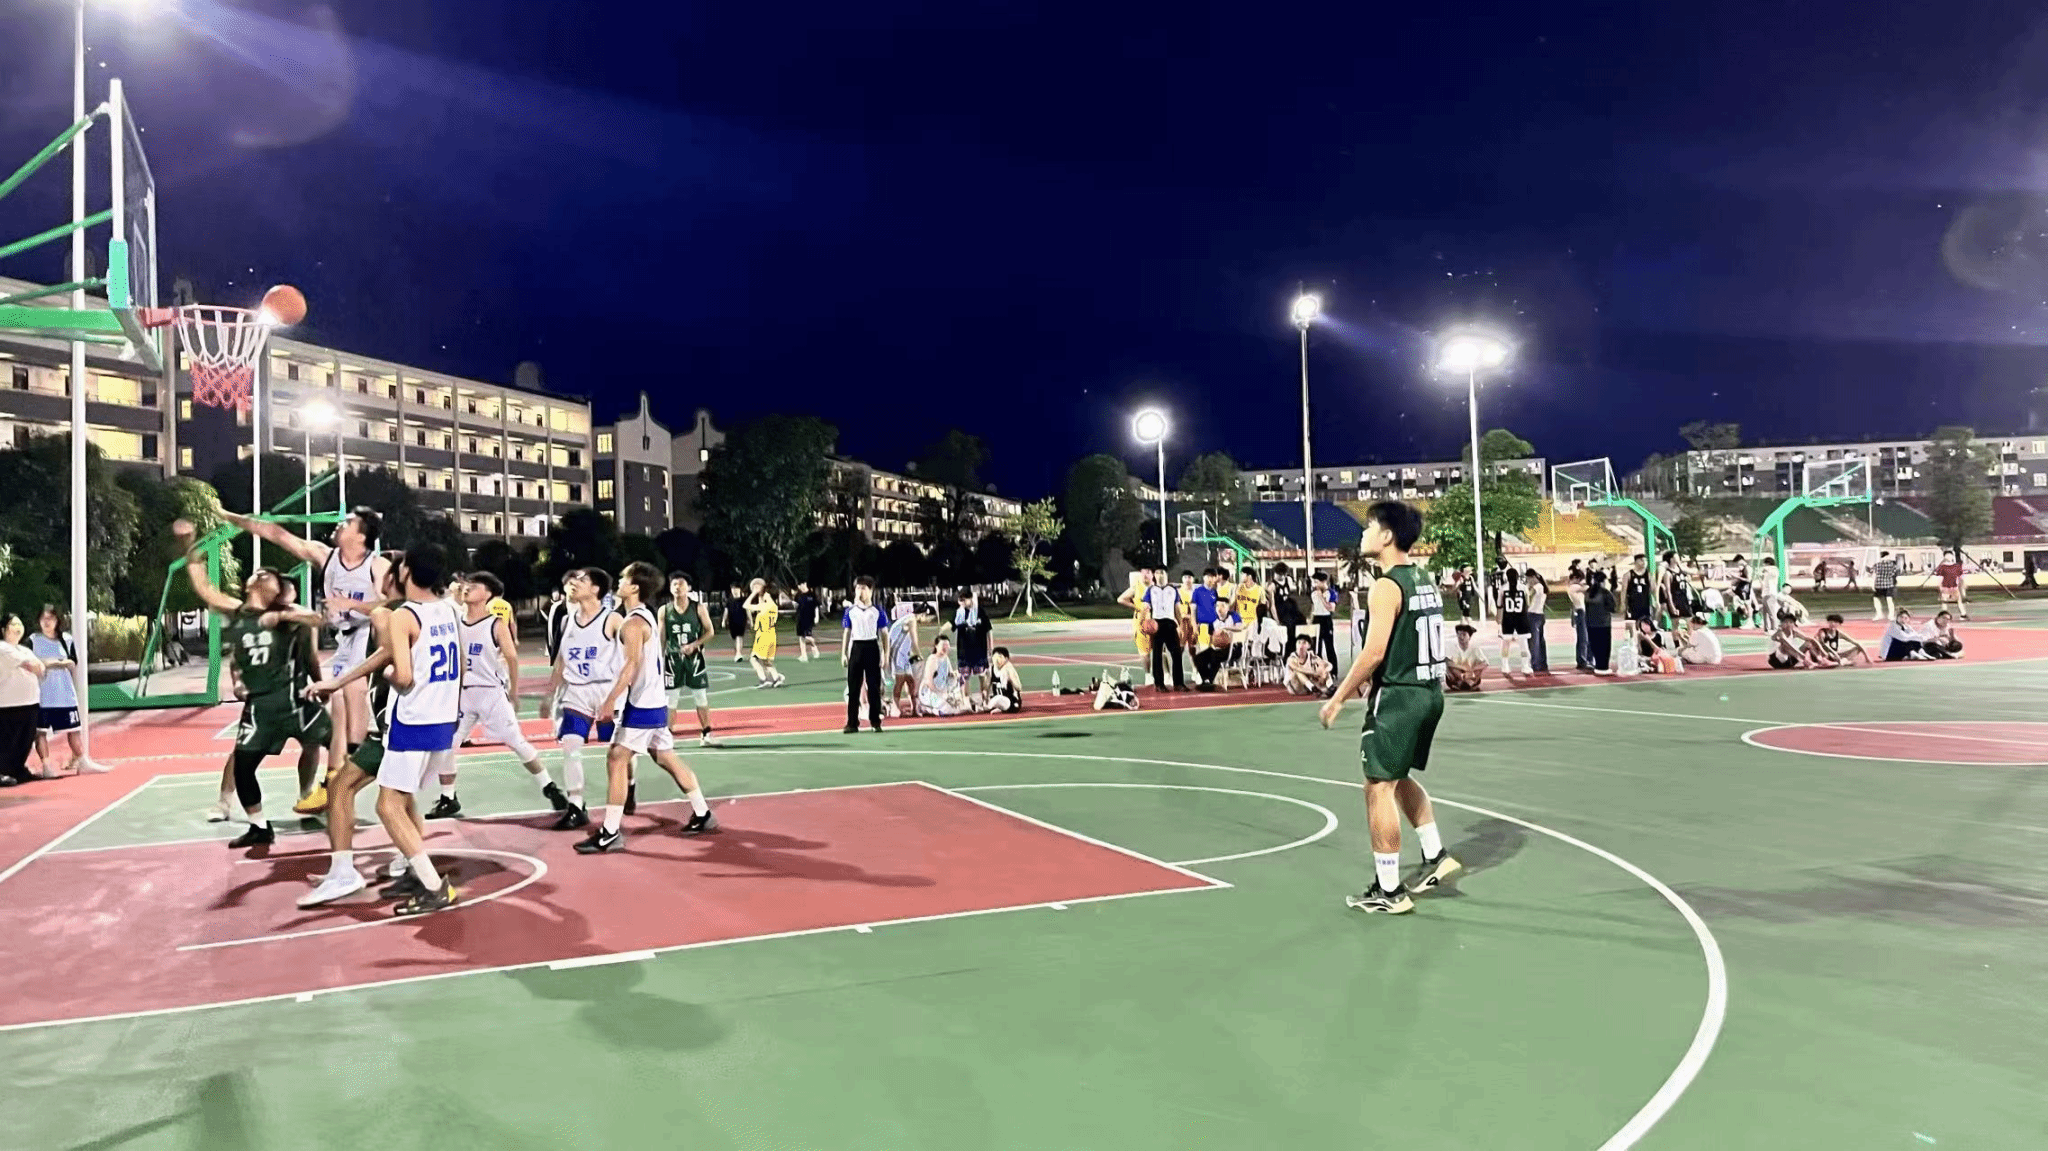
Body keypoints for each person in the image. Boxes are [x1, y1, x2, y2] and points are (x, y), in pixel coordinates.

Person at [1318, 501, 1462, 916]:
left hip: (1399, 696)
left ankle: (1388, 889)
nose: (1363, 534)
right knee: (1396, 778)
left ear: (1386, 536)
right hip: (1429, 692)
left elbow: (1374, 651)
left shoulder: (1386, 585)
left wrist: (1338, 696)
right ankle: (1435, 855)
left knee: (1378, 786)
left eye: (1369, 527)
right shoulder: (1424, 578)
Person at [219, 504, 388, 820]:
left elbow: (391, 604)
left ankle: (355, 765)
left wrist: (351, 604)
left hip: (371, 636)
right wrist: (230, 517)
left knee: (350, 696)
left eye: (348, 522)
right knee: (338, 709)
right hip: (345, 640)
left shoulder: (377, 566)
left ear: (362, 535)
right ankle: (338, 777)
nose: (340, 524)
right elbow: (275, 533)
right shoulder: (325, 556)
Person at [173, 519, 333, 848]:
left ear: (277, 590)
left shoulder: (287, 616)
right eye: (257, 574)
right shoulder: (237, 611)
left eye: (268, 575)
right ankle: (256, 824)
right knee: (243, 765)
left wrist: (285, 615)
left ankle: (319, 793)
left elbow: (317, 622)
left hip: (296, 700)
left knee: (344, 746)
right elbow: (204, 587)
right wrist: (189, 548)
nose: (260, 575)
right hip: (260, 706)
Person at [576, 562, 718, 854]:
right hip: (655, 701)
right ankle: (703, 813)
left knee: (616, 758)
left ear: (635, 587)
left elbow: (631, 665)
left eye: (623, 578)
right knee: (665, 756)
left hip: (642, 704)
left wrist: (610, 700)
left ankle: (610, 832)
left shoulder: (633, 623)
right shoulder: (645, 616)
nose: (618, 581)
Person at [298, 553, 409, 907]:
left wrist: (340, 681)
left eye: (382, 575)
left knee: (342, 788)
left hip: (397, 725)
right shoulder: (427, 613)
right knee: (401, 797)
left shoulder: (388, 615)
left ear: (392, 580)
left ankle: (348, 871)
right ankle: (407, 862)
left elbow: (391, 661)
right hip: (413, 724)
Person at [369, 544, 464, 914]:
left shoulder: (403, 615)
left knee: (388, 805)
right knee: (405, 800)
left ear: (406, 571)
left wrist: (388, 672)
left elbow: (404, 677)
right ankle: (414, 870)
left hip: (414, 719)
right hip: (443, 718)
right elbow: (461, 667)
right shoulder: (449, 609)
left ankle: (434, 886)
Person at [431, 572, 560, 819]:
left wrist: (513, 691)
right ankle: (448, 798)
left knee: (516, 742)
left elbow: (512, 658)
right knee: (445, 746)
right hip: (463, 694)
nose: (467, 588)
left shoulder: (495, 624)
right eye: (467, 584)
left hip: (491, 693)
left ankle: (549, 787)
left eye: (474, 585)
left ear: (488, 594)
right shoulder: (454, 620)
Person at [539, 568, 622, 830]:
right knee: (570, 746)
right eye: (572, 580)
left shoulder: (613, 619)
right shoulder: (568, 621)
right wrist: (549, 694)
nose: (574, 583)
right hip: (577, 692)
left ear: (596, 589)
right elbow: (561, 661)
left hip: (607, 692)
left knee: (619, 752)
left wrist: (619, 695)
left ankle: (628, 784)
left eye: (582, 580)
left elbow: (632, 659)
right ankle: (576, 805)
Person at [30, 605, 107, 776]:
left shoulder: (66, 640)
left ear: (57, 620)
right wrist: (57, 663)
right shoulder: (33, 640)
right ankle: (46, 766)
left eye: (51, 618)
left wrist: (49, 663)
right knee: (40, 732)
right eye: (43, 618)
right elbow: (33, 663)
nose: (47, 622)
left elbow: (72, 662)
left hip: (65, 696)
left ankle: (82, 761)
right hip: (42, 696)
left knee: (74, 730)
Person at [661, 571, 719, 746]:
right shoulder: (664, 610)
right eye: (674, 584)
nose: (678, 587)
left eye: (681, 584)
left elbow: (710, 631)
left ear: (689, 587)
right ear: (670, 588)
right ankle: (667, 737)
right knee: (670, 700)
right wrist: (658, 660)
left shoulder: (698, 608)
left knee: (700, 696)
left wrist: (695, 644)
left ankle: (706, 734)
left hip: (694, 659)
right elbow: (661, 638)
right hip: (672, 660)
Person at [0, 615, 46, 787]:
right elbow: (32, 666)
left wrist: (36, 666)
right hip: (8, 703)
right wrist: (34, 666)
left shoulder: (24, 650)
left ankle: (17, 769)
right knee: (7, 740)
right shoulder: (3, 648)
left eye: (20, 623)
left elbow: (40, 668)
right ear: (3, 629)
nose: (18, 627)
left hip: (29, 701)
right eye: (13, 624)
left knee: (25, 740)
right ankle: (2, 771)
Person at [841, 577, 887, 733]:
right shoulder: (850, 611)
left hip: (871, 646)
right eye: (858, 588)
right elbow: (847, 632)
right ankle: (852, 723)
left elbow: (884, 634)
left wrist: (885, 653)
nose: (860, 591)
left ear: (871, 590)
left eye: (864, 588)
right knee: (853, 687)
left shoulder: (877, 611)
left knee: (874, 686)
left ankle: (875, 721)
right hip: (856, 647)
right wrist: (844, 653)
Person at [1143, 569, 1185, 692]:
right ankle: (1159, 684)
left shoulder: (1173, 590)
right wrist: (1148, 622)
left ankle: (1179, 683)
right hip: (1156, 623)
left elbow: (1177, 609)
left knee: (1176, 653)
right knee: (1157, 654)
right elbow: (1146, 608)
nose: (1160, 575)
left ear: (1166, 574)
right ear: (1154, 575)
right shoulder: (1150, 590)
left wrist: (1181, 625)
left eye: (1162, 572)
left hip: (1170, 623)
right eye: (1157, 573)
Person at [952, 589, 993, 701]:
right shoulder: (959, 613)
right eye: (961, 599)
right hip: (964, 651)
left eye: (965, 599)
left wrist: (991, 648)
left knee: (982, 675)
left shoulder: (980, 611)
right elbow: (953, 626)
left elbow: (988, 630)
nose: (963, 602)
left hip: (980, 650)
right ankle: (967, 700)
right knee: (964, 677)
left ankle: (985, 699)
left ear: (970, 598)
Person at [744, 578, 786, 688]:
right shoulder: (774, 607)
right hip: (772, 636)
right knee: (767, 661)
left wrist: (754, 593)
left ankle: (763, 680)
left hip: (763, 636)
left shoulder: (765, 606)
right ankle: (776, 679)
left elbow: (746, 605)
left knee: (753, 659)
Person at [885, 601, 920, 717]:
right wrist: (919, 655)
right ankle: (895, 707)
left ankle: (914, 707)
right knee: (900, 681)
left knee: (910, 681)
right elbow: (914, 641)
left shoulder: (906, 620)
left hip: (904, 655)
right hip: (897, 654)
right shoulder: (911, 620)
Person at [917, 636, 968, 716]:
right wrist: (941, 694)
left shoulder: (945, 658)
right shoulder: (932, 659)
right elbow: (929, 683)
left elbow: (951, 676)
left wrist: (958, 674)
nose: (945, 648)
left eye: (947, 645)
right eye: (943, 645)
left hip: (942, 691)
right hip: (930, 692)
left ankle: (936, 708)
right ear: (936, 646)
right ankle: (926, 708)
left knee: (959, 707)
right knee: (947, 710)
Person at [1584, 570, 1616, 675]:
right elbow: (1612, 608)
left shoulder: (1588, 592)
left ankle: (1597, 665)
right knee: (1604, 646)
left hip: (1590, 623)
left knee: (1595, 645)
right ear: (1603, 581)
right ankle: (1603, 667)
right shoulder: (1605, 593)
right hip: (1604, 623)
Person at [1443, 622, 1486, 692]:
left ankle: (1469, 682)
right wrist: (1463, 669)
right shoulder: (1453, 647)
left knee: (1479, 668)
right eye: (1459, 634)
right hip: (1456, 676)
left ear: (1469, 636)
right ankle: (1460, 682)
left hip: (1471, 674)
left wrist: (1471, 670)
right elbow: (1447, 662)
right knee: (1452, 667)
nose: (1461, 637)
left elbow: (1485, 663)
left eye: (1464, 635)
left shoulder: (1475, 649)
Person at [983, 647, 1025, 712]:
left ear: (1006, 659)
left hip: (1011, 702)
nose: (997, 660)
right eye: (995, 657)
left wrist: (1010, 678)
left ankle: (986, 707)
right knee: (977, 697)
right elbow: (986, 687)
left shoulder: (1009, 669)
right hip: (999, 699)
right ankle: (991, 707)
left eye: (1000, 657)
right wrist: (985, 696)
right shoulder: (991, 669)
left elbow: (1019, 687)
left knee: (997, 698)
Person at [1935, 549, 1968, 620]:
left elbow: (1961, 577)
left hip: (1954, 587)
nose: (1949, 557)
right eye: (1947, 556)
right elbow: (1939, 578)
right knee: (1944, 602)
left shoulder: (1956, 566)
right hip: (1945, 587)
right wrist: (1940, 587)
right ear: (1944, 557)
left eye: (1950, 555)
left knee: (1959, 601)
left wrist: (1963, 585)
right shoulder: (1942, 567)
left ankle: (1963, 615)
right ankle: (1944, 615)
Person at [793, 581, 821, 663]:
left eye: (801, 585)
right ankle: (804, 656)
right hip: (800, 618)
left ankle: (814, 646)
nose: (800, 587)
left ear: (804, 584)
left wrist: (817, 617)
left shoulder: (812, 594)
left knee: (807, 636)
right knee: (801, 637)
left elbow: (816, 606)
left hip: (809, 618)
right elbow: (796, 605)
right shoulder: (798, 595)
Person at [1869, 550, 1899, 621]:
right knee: (1889, 599)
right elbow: (1895, 574)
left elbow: (1874, 575)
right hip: (1889, 584)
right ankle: (1891, 615)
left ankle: (1879, 614)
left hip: (1879, 584)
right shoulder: (1892, 565)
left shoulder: (1877, 565)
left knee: (1876, 599)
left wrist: (1872, 584)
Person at [723, 584, 750, 663]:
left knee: (739, 637)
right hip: (732, 621)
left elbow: (748, 610)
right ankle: (739, 652)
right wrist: (723, 620)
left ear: (740, 590)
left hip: (741, 620)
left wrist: (750, 620)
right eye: (733, 589)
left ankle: (738, 654)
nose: (734, 591)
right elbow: (726, 611)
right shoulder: (729, 600)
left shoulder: (743, 600)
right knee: (737, 638)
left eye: (736, 589)